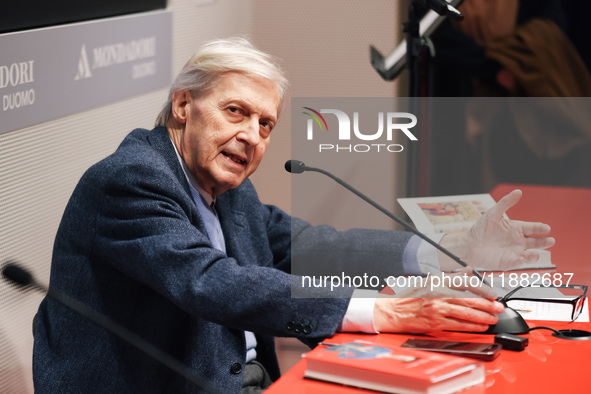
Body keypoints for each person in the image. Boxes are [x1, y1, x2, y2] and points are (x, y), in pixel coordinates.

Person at [32, 37, 554, 393]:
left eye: (265, 124)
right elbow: (211, 282)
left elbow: (312, 245)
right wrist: (380, 312)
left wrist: (447, 249)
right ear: (183, 105)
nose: (251, 136)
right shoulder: (130, 180)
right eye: (235, 111)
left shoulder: (228, 183)